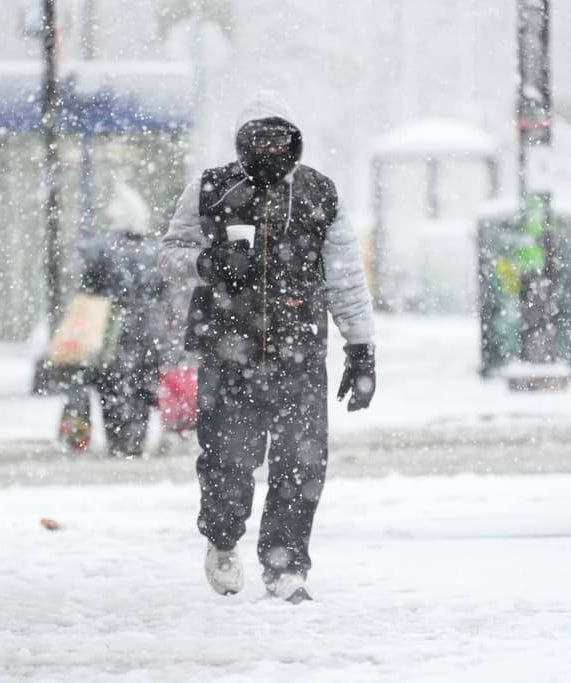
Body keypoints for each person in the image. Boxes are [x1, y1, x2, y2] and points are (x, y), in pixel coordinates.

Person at [159, 90, 376, 603]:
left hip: (301, 357)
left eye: (282, 137)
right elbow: (170, 254)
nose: (272, 148)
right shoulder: (210, 189)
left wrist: (361, 346)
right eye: (261, 138)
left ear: (295, 139)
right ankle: (222, 538)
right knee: (229, 463)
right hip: (227, 355)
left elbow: (345, 278)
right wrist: (208, 264)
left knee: (302, 465)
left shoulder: (321, 194)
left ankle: (285, 567)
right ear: (242, 142)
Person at [60, 180, 165, 458]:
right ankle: (135, 441)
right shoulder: (156, 251)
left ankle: (117, 440)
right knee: (142, 389)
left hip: (110, 331)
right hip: (148, 333)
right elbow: (163, 291)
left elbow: (89, 291)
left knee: (111, 387)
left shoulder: (101, 249)